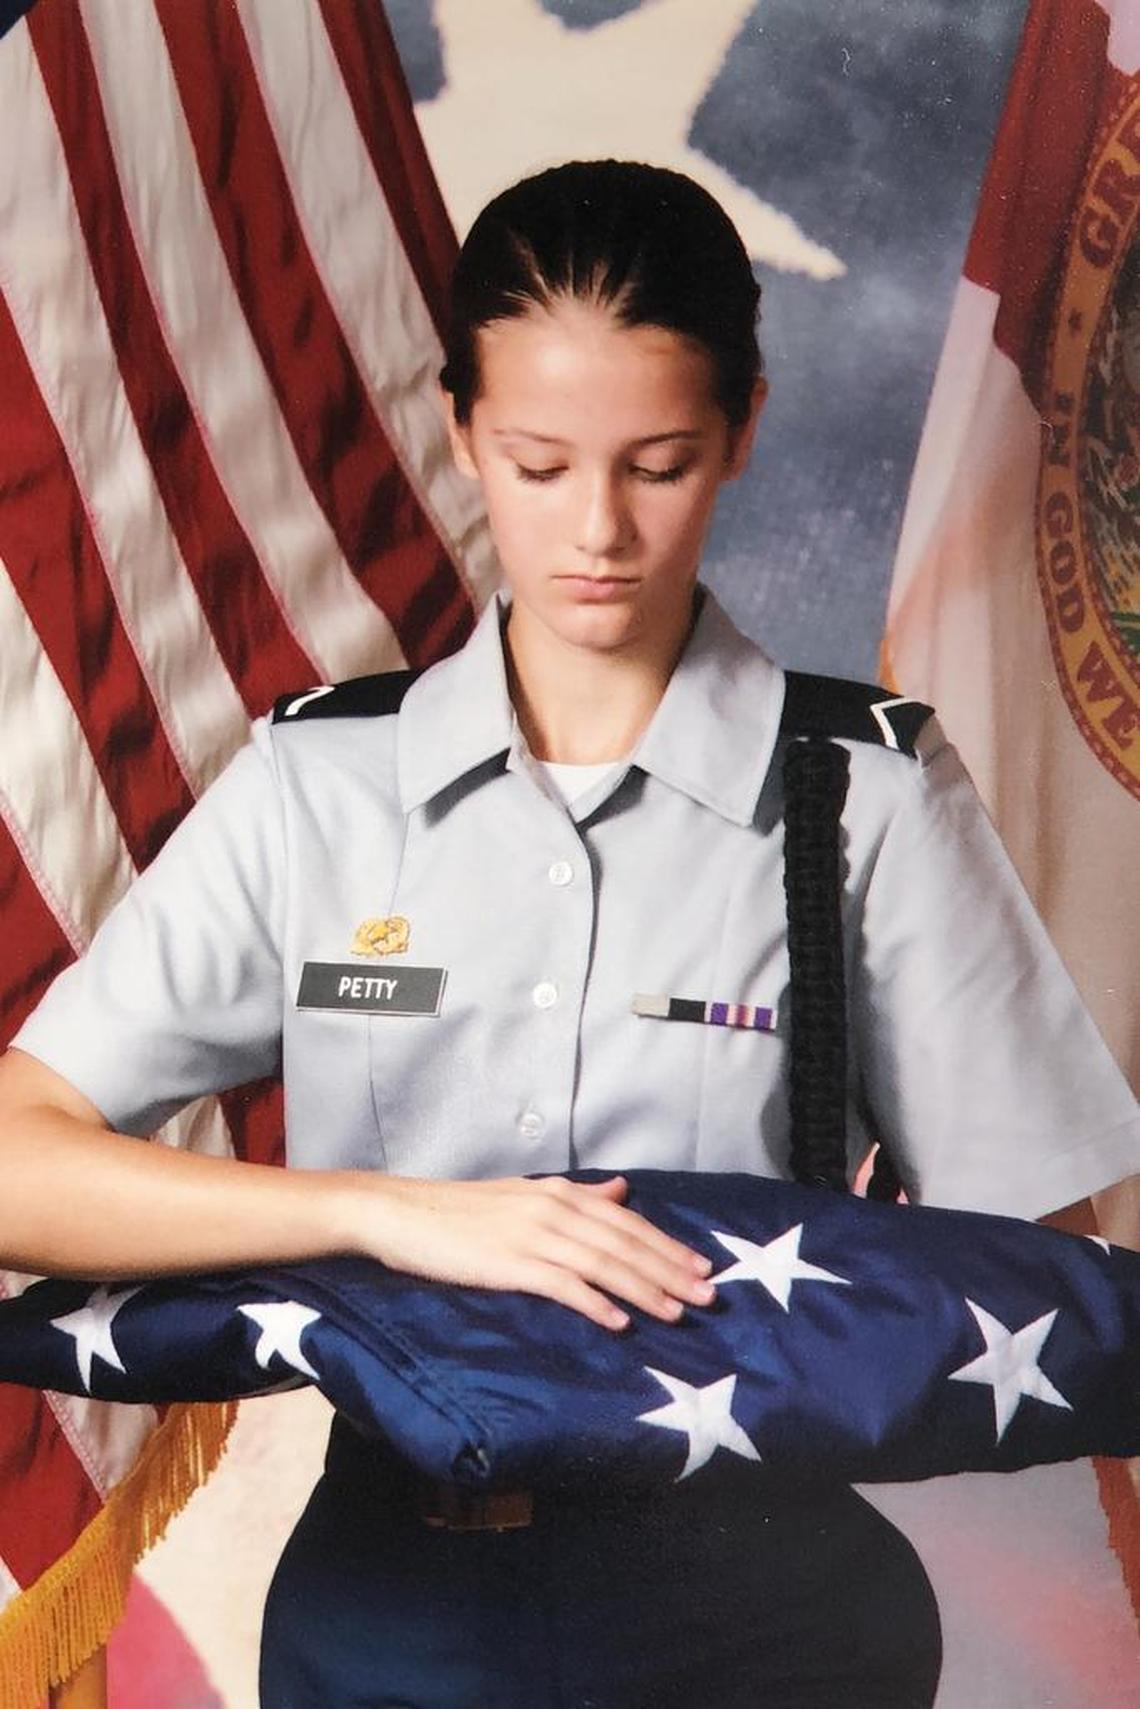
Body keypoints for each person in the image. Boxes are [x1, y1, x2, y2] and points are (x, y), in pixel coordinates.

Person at [1, 160, 1137, 1708]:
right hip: (388, 1607)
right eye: (537, 463)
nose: (596, 527)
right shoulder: (322, 788)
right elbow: (18, 1159)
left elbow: (1034, 1277)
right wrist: (391, 1216)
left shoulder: (859, 794)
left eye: (657, 462)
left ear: (742, 425)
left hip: (756, 1611)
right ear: (462, 428)